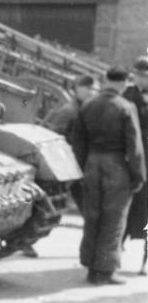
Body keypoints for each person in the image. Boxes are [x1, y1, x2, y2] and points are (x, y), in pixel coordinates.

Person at [72, 66, 147, 285]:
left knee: (92, 217)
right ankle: (105, 271)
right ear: (124, 83)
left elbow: (79, 142)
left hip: (91, 164)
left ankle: (89, 266)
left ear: (105, 80)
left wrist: (81, 169)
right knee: (113, 220)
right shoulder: (126, 106)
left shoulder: (88, 105)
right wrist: (138, 176)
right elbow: (135, 147)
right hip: (117, 166)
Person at [42, 75, 100, 211]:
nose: (94, 93)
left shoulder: (88, 110)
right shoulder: (70, 111)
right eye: (91, 89)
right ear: (80, 90)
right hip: (71, 164)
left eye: (96, 90)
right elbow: (54, 138)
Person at [122, 56, 148, 273]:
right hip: (134, 160)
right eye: (140, 74)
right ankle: (116, 250)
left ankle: (144, 262)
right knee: (125, 206)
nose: (142, 78)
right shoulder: (128, 95)